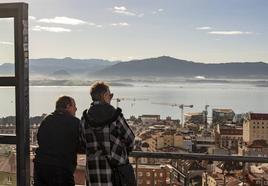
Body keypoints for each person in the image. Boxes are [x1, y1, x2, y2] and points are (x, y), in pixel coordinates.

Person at [80, 81, 135, 186]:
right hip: (115, 172)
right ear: (104, 96)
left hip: (93, 172)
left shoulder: (84, 118)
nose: (111, 98)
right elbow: (130, 138)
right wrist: (123, 152)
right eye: (111, 95)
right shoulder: (115, 115)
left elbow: (83, 142)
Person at [34, 96, 83, 186]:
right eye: (74, 106)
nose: (76, 109)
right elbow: (81, 146)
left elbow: (39, 139)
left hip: (41, 166)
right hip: (62, 168)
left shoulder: (47, 120)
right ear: (68, 106)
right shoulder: (75, 123)